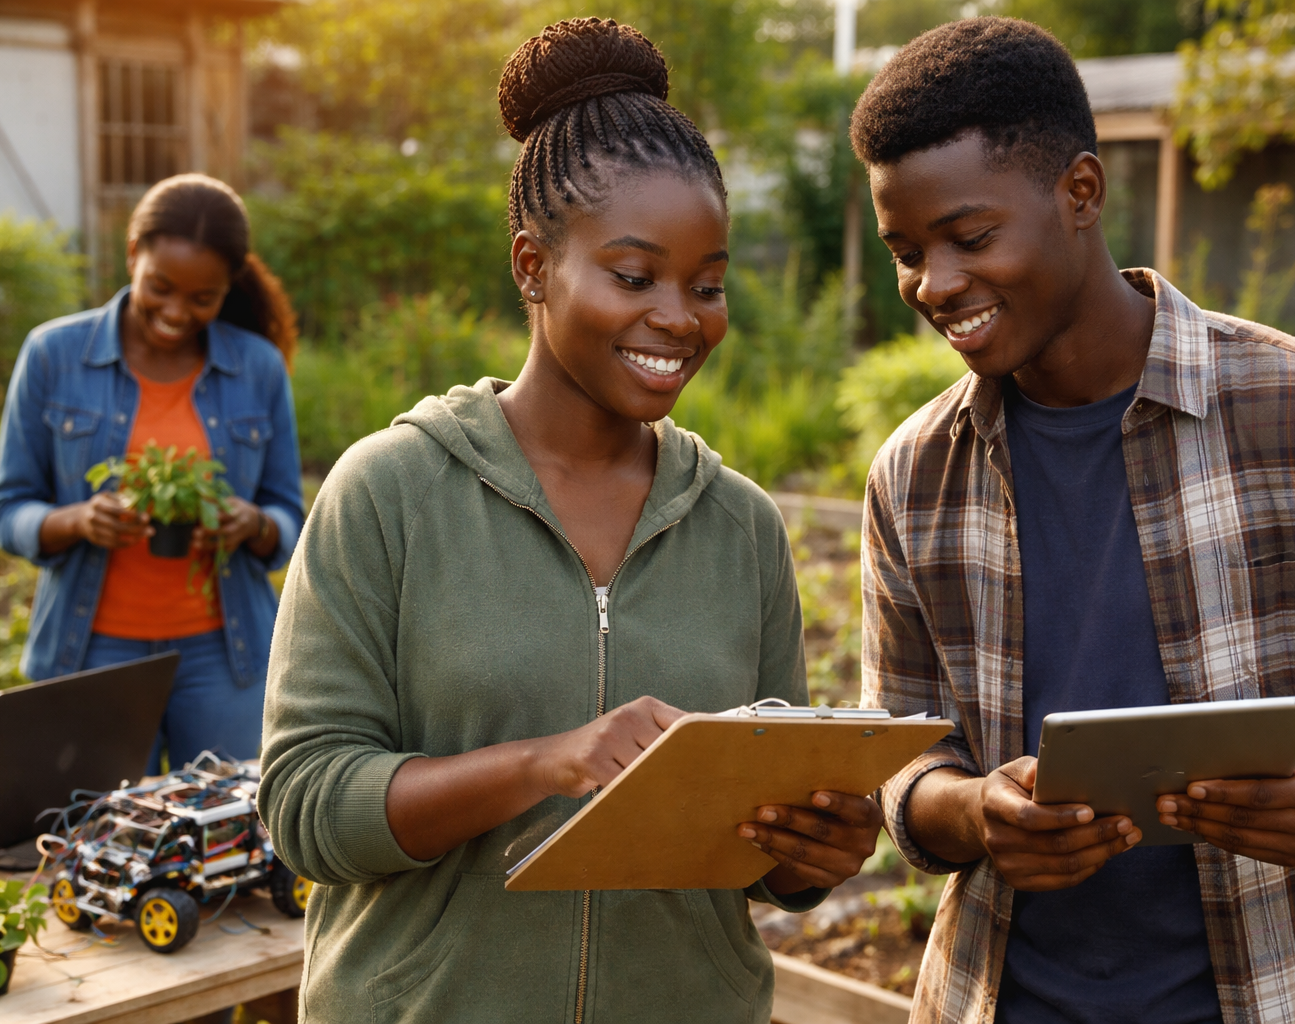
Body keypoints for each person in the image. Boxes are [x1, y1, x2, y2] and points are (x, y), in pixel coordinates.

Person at [850, 17, 1295, 1024]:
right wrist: (978, 812)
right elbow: (900, 751)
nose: (933, 285)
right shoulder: (913, 475)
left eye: (971, 238)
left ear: (1080, 193)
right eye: (907, 252)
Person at [257, 19, 881, 1024]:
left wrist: (812, 856)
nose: (680, 317)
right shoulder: (388, 495)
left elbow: (762, 856)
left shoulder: (743, 529)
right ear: (532, 265)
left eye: (708, 284)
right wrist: (548, 761)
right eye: (634, 277)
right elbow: (304, 808)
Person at [0, 174, 304, 773]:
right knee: (90, 839)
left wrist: (253, 523)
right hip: (91, 653)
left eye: (202, 298)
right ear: (132, 253)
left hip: (224, 657)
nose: (175, 312)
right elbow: (9, 511)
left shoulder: (257, 368)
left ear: (227, 288)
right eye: (159, 286)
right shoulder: (54, 355)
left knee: (226, 849)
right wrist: (76, 519)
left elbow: (289, 514)